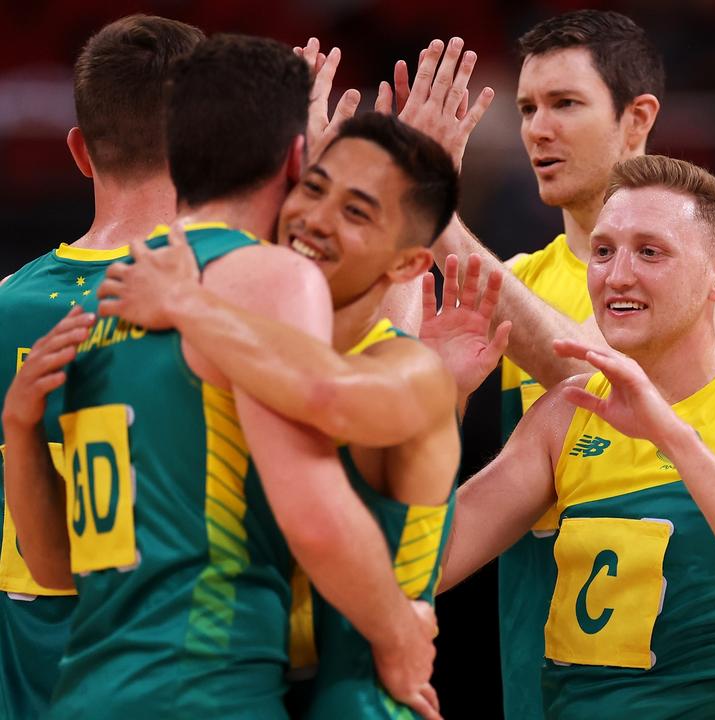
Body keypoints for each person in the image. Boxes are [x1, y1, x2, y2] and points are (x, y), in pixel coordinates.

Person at [2, 35, 438, 718]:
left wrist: (20, 434)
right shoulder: (264, 277)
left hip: (85, 694)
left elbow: (55, 568)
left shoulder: (104, 297)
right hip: (203, 689)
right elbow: (314, 515)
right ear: (297, 158)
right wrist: (397, 633)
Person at [383, 18, 715, 718]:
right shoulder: (506, 278)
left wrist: (436, 215)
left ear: (638, 118)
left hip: (712, 676)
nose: (538, 129)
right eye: (526, 109)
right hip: (550, 661)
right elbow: (405, 464)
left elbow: (603, 372)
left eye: (565, 104)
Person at [95, 110, 503, 720]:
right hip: (253, 685)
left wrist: (185, 304)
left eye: (356, 211)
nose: (314, 218)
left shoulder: (410, 370)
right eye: (311, 188)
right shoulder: (256, 348)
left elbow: (327, 398)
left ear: (405, 265)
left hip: (363, 696)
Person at [438, 154, 715, 719]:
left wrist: (674, 439)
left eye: (650, 252)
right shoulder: (565, 413)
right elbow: (424, 561)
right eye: (603, 251)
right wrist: (444, 401)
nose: (617, 274)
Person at [0, 15, 203, 719]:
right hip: (179, 676)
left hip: (28, 680)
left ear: (80, 151)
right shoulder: (225, 293)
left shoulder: (5, 306)